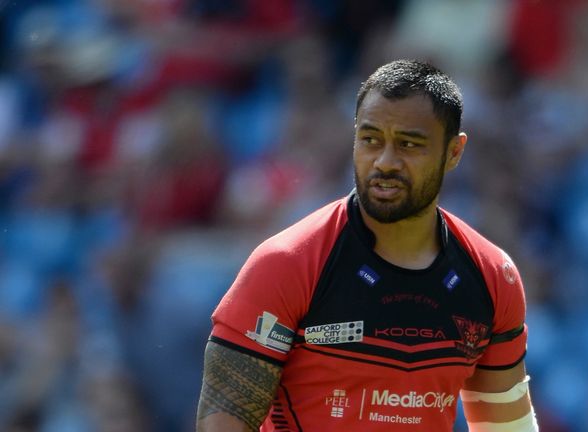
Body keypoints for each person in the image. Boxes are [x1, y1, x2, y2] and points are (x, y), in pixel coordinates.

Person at [196, 59, 539, 432]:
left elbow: (507, 428)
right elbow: (221, 422)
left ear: (453, 153)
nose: (385, 162)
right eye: (371, 140)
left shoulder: (492, 277)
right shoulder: (285, 264)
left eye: (409, 144)